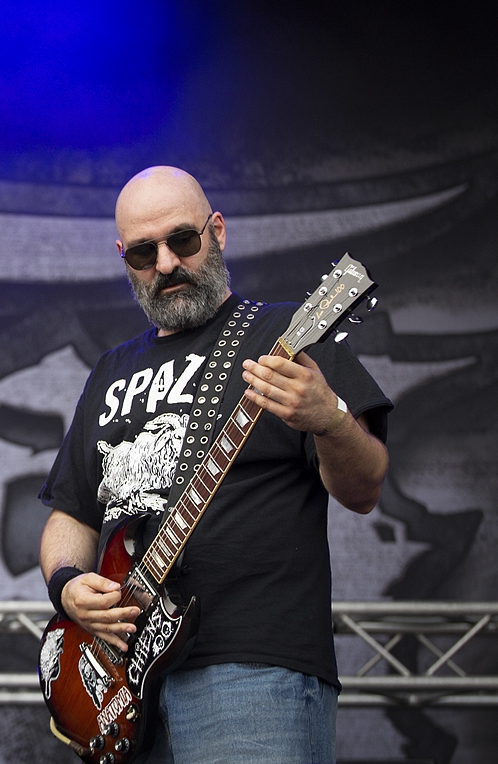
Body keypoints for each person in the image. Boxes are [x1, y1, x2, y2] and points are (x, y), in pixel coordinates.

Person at [38, 166, 391, 763]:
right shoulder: (111, 370)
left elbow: (365, 489)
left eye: (182, 240)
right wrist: (67, 586)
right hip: (124, 681)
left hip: (254, 668)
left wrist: (330, 419)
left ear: (217, 231)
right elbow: (71, 514)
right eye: (143, 253)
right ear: (124, 257)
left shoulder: (287, 335)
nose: (166, 264)